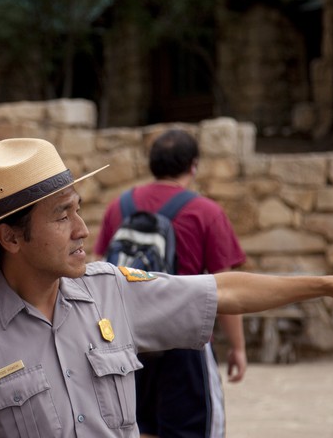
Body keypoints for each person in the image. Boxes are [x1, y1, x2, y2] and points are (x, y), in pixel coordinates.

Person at [0, 137, 333, 438]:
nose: (83, 230)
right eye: (62, 215)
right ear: (11, 237)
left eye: (79, 210)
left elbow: (224, 290)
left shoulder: (110, 292)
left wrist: (331, 285)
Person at [93, 128, 246, 438]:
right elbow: (225, 289)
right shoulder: (206, 212)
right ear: (193, 165)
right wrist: (238, 348)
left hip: (129, 339)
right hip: (184, 340)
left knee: (138, 427)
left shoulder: (118, 207)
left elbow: (97, 267)